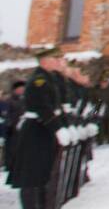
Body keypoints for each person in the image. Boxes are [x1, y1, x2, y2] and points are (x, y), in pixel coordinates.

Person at [8, 47, 64, 209]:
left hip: (42, 129)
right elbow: (42, 107)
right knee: (31, 175)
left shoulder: (48, 78)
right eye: (55, 59)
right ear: (45, 61)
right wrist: (57, 128)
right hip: (36, 131)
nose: (58, 62)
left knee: (41, 174)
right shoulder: (40, 80)